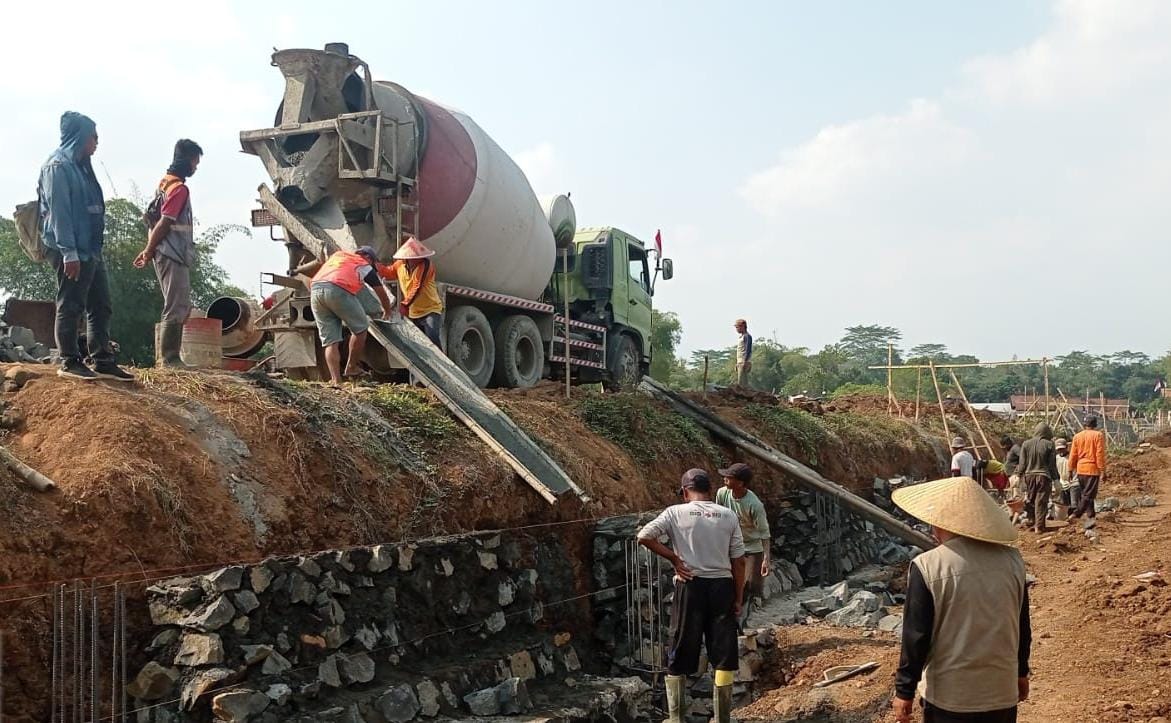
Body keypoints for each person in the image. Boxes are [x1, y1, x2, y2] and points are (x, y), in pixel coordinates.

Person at [891, 476, 1032, 723]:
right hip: (1001, 692)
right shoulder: (1013, 561)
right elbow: (1022, 626)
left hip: (950, 697)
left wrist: (905, 690)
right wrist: (1020, 673)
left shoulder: (928, 566)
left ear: (943, 524)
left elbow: (916, 637)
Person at [638, 469, 746, 723]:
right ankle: (722, 719)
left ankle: (676, 718)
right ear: (710, 490)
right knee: (723, 653)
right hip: (722, 587)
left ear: (685, 492)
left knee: (680, 647)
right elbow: (739, 562)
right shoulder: (728, 515)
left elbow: (644, 536)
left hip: (690, 586)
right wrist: (738, 597)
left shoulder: (675, 512)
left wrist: (675, 559)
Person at [38, 111, 133, 382]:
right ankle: (69, 360)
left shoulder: (82, 166)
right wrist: (69, 252)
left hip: (90, 249)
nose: (97, 142)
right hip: (69, 249)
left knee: (101, 304)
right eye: (93, 136)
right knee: (71, 303)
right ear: (79, 137)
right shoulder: (57, 167)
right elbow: (60, 213)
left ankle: (103, 359)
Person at [134, 139, 204, 367]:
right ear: (186, 160)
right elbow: (164, 223)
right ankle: (170, 359)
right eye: (195, 161)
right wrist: (148, 250)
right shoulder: (179, 189)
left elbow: (154, 221)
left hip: (166, 252)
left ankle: (171, 357)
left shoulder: (164, 184)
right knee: (177, 304)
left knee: (178, 303)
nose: (196, 167)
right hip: (173, 252)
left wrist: (149, 250)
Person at [304, 246, 394, 385]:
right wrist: (387, 310)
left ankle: (336, 380)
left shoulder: (338, 256)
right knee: (361, 329)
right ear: (369, 258)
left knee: (330, 341)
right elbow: (380, 292)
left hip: (315, 291)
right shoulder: (364, 264)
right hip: (337, 289)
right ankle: (351, 367)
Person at [715, 462, 771, 628]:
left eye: (729, 477)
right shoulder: (722, 493)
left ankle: (742, 622)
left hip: (752, 548)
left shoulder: (754, 505)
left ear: (740, 483)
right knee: (730, 584)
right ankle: (731, 622)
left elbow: (764, 534)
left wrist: (766, 559)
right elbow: (718, 518)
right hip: (731, 544)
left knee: (750, 587)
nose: (725, 478)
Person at [387, 237, 443, 347]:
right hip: (414, 313)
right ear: (406, 258)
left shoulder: (426, 265)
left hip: (430, 310)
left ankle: (443, 364)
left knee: (433, 339)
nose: (416, 260)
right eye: (413, 257)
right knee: (421, 345)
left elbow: (417, 286)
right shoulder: (399, 265)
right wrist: (374, 266)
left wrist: (405, 304)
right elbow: (388, 272)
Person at [1017, 423, 1059, 534]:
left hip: (1028, 477)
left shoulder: (1026, 444)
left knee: (1030, 499)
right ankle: (1039, 527)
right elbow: (1052, 466)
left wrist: (1019, 476)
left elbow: (1022, 464)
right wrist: (1056, 480)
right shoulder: (1050, 444)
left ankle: (1031, 521)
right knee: (1041, 501)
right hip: (1043, 477)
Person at [1068, 416, 1107, 522]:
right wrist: (1102, 470)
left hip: (1080, 470)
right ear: (1095, 425)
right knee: (1088, 495)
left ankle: (1091, 516)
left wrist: (1070, 469)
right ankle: (1077, 513)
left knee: (1086, 493)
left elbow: (1073, 454)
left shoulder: (1077, 436)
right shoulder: (1098, 435)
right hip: (1092, 470)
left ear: (1084, 425)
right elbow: (1099, 454)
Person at [1054, 438, 1079, 510]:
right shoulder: (1056, 458)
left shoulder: (1072, 457)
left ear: (1066, 447)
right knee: (1064, 506)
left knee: (1074, 505)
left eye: (1062, 449)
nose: (1060, 451)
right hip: (1063, 484)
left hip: (1074, 483)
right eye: (1059, 449)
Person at [734, 319, 752, 388]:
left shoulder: (747, 336)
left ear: (742, 326)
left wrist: (745, 361)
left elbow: (748, 350)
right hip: (740, 362)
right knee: (740, 381)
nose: (736, 329)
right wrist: (737, 363)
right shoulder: (740, 337)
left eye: (737, 327)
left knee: (742, 383)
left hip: (743, 362)